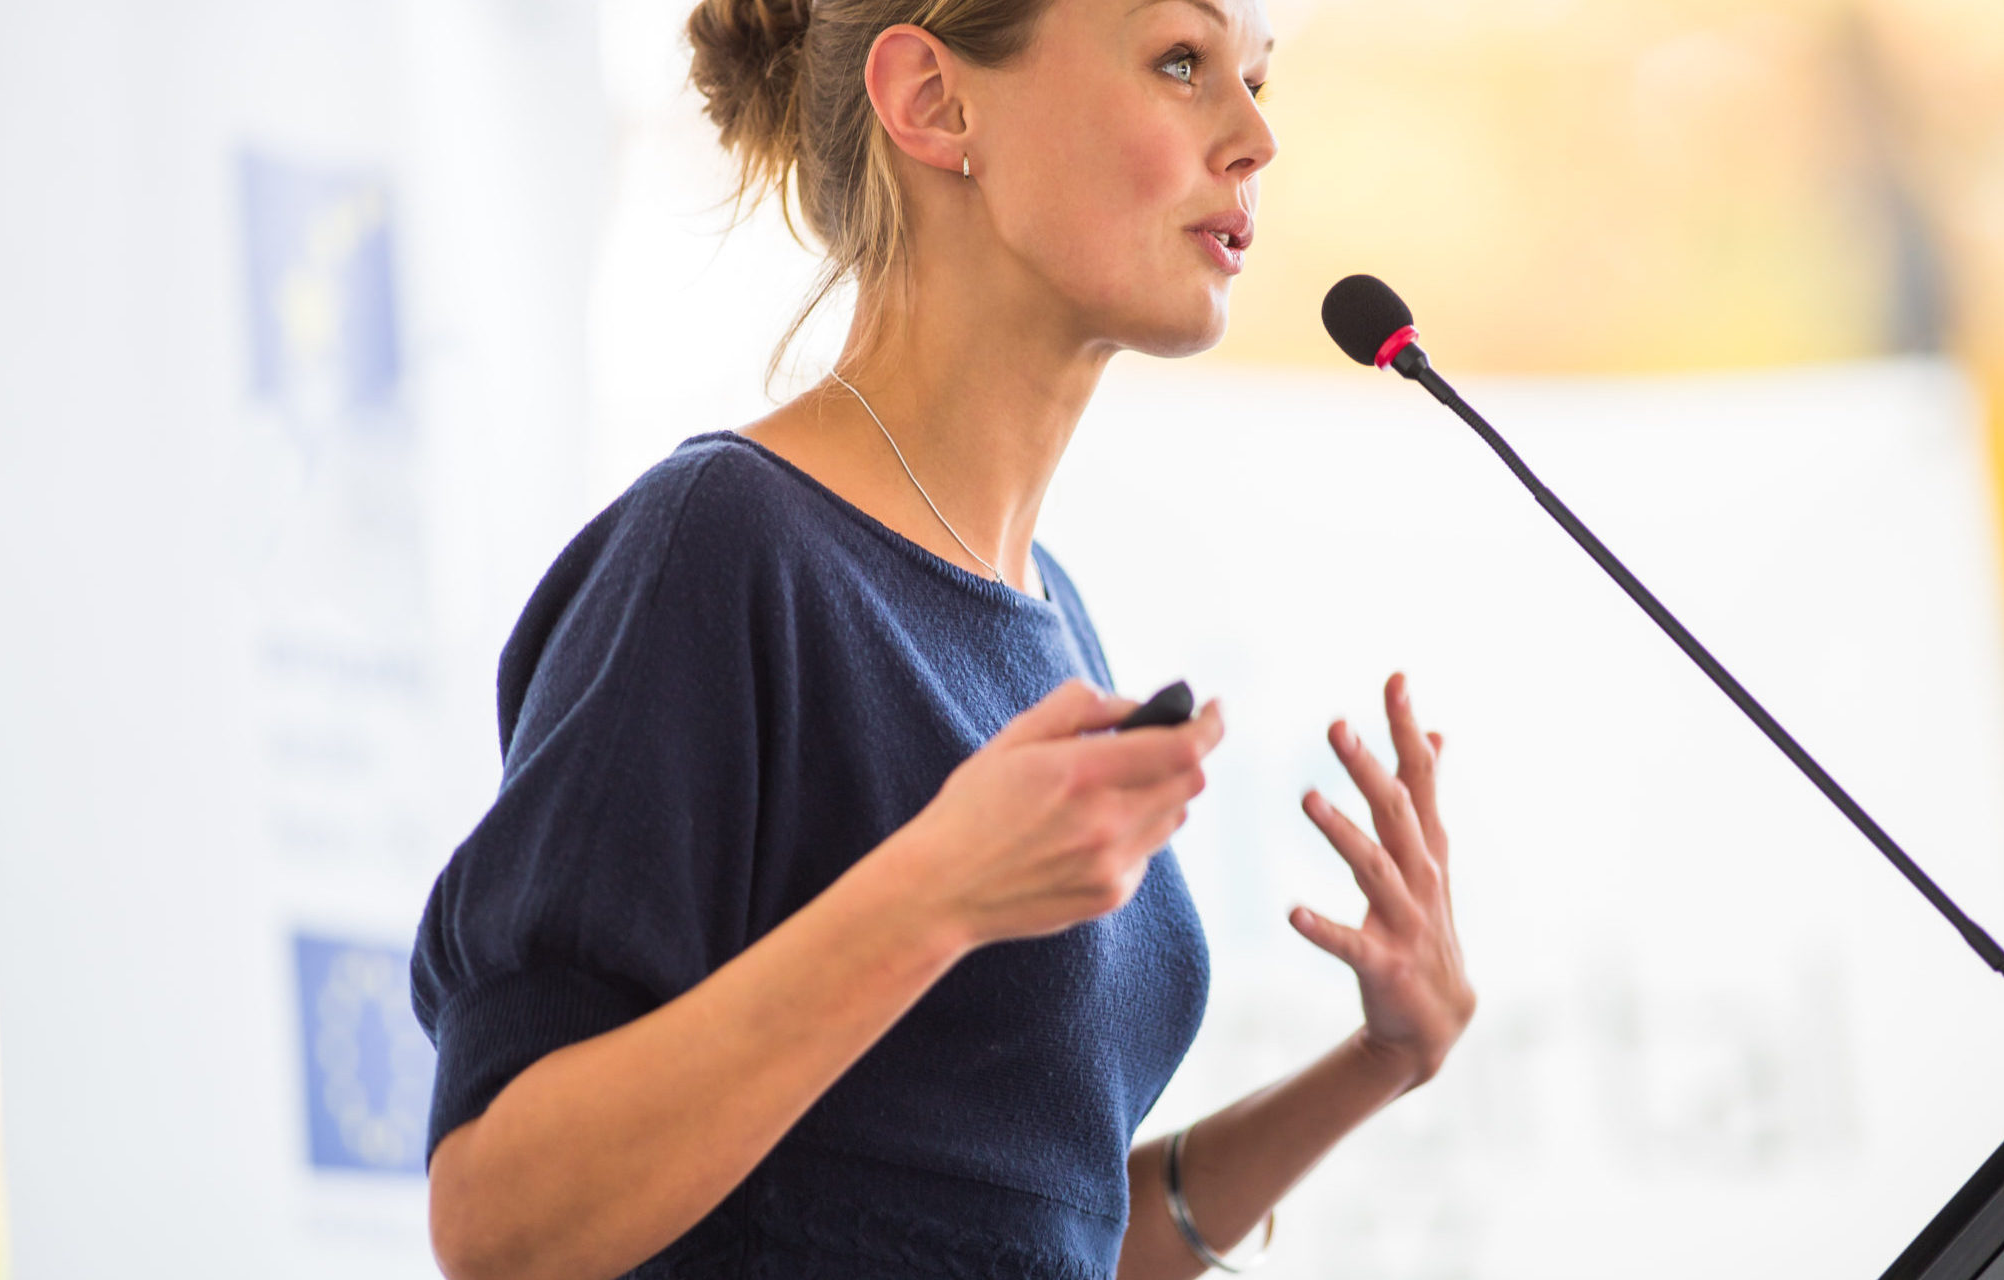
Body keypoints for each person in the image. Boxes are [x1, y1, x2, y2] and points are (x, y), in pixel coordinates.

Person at [409, 0, 1476, 1276]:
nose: (1254, 137)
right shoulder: (725, 548)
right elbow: (498, 1219)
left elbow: (1018, 1237)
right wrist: (937, 893)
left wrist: (1378, 1063)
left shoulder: (1051, 615)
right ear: (931, 101)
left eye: (1255, 79)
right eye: (1181, 62)